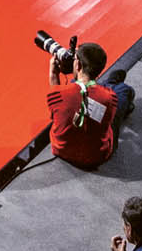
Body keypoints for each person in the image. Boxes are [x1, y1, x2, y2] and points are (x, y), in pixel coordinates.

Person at [48, 38, 130, 169]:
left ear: (78, 65)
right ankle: (112, 83)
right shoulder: (110, 99)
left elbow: (56, 112)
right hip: (97, 157)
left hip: (62, 151)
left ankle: (110, 82)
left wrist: (53, 73)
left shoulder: (58, 94)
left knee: (73, 85)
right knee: (123, 91)